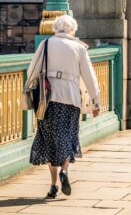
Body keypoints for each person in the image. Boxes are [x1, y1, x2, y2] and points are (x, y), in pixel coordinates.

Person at [26, 15, 100, 199]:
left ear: (55, 28)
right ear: (73, 30)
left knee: (50, 141)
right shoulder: (79, 48)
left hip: (48, 100)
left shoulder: (46, 44)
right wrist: (96, 101)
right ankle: (65, 171)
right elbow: (89, 77)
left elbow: (32, 71)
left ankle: (53, 186)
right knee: (67, 137)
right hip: (71, 99)